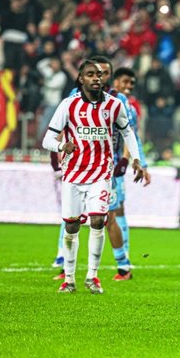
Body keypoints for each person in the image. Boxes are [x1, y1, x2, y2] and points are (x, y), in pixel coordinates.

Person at [42, 59, 144, 294]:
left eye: (99, 75)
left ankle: (92, 276)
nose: (96, 78)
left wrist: (136, 159)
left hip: (101, 173)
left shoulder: (114, 105)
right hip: (73, 174)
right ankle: (69, 279)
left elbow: (128, 132)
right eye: (90, 74)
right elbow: (48, 139)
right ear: (81, 79)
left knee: (98, 220)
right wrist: (61, 147)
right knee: (71, 225)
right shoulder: (68, 105)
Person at [107, 67, 151, 281]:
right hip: (88, 165)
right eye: (125, 82)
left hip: (114, 166)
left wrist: (137, 162)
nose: (128, 86)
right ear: (114, 81)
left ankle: (124, 261)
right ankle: (62, 260)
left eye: (132, 84)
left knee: (115, 210)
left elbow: (132, 136)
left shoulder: (128, 107)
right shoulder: (85, 99)